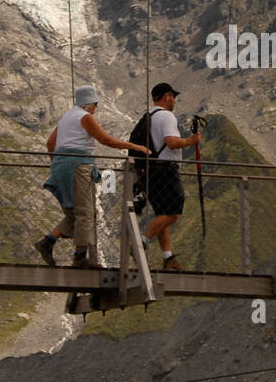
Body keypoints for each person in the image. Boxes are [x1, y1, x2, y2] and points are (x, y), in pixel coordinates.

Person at [37, 85, 150, 267]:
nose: (96, 109)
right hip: (78, 166)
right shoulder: (85, 117)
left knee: (74, 213)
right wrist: (136, 147)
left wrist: (58, 164)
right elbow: (106, 140)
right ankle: (80, 257)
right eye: (95, 104)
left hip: (60, 166)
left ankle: (48, 241)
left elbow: (50, 143)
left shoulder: (66, 118)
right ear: (89, 103)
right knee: (85, 214)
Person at [141, 82, 201, 272]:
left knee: (163, 214)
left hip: (150, 170)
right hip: (166, 169)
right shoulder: (166, 116)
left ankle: (168, 257)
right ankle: (141, 241)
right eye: (173, 97)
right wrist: (191, 141)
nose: (174, 101)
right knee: (174, 212)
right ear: (167, 96)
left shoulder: (147, 117)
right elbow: (172, 142)